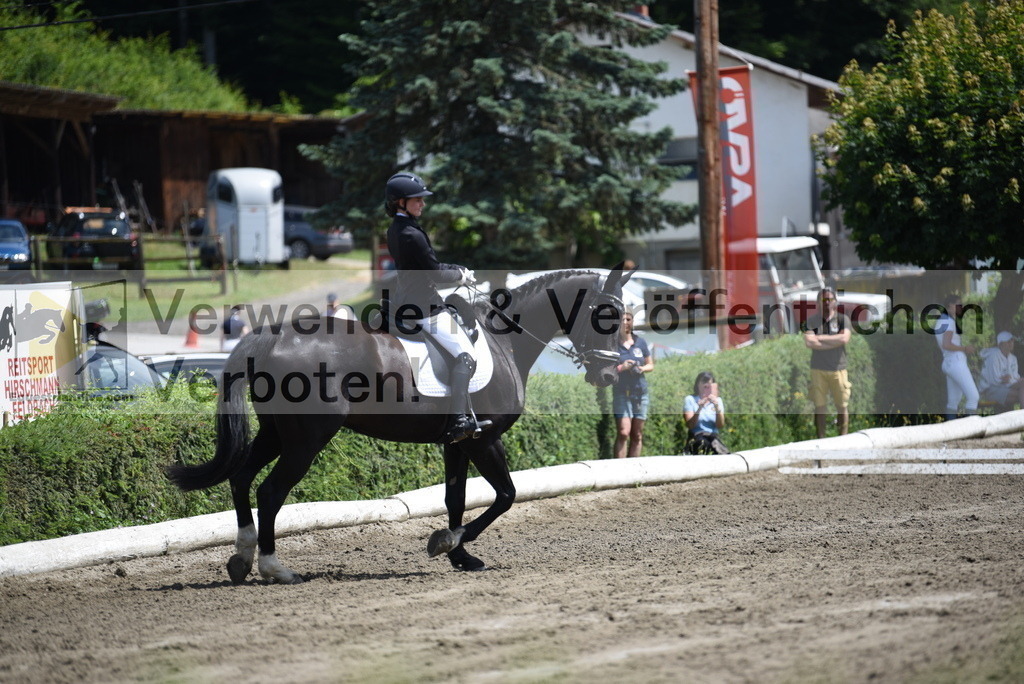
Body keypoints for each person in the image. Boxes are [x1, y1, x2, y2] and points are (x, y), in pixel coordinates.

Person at [385, 172, 491, 444]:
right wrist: (460, 274)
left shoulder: (397, 228)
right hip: (424, 307)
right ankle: (458, 420)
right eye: (416, 199)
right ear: (400, 202)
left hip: (406, 299)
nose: (422, 203)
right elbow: (433, 272)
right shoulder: (411, 234)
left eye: (422, 199)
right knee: (465, 353)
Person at [803, 287, 852, 438]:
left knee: (842, 406)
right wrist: (833, 340)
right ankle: (821, 438)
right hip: (818, 369)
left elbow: (844, 339)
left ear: (835, 302)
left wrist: (821, 338)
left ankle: (842, 437)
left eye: (830, 299)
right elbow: (809, 342)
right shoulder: (811, 321)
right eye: (823, 300)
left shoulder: (843, 319)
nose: (826, 303)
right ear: (818, 302)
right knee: (820, 407)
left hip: (838, 368)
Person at [612, 311, 654, 458]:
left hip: (640, 393)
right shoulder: (613, 344)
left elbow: (650, 365)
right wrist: (622, 368)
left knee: (637, 434)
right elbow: (607, 370)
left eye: (628, 319)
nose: (625, 322)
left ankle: (634, 472)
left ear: (632, 321)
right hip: (622, 392)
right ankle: (619, 472)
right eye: (622, 319)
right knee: (623, 432)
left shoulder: (640, 342)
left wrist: (641, 368)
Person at [934, 293, 978, 420]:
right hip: (956, 361)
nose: (961, 307)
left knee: (953, 402)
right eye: (958, 304)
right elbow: (947, 344)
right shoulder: (948, 321)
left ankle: (950, 430)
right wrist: (965, 348)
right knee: (973, 396)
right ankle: (972, 428)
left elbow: (943, 345)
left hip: (948, 362)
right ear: (950, 306)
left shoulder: (941, 320)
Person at [683, 371, 728, 455]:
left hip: (713, 437)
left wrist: (716, 407)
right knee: (703, 444)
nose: (706, 387)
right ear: (698, 385)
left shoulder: (718, 401)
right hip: (697, 437)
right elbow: (690, 425)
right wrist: (699, 408)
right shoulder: (690, 399)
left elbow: (720, 425)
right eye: (704, 384)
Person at [979, 331, 1023, 411]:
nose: (1011, 343)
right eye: (1008, 341)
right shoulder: (993, 356)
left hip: (1007, 387)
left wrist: (1017, 379)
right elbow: (994, 380)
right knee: (1021, 394)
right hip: (991, 389)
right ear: (1000, 344)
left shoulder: (1013, 358)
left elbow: (1014, 377)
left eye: (1012, 341)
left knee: (1022, 391)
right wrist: (1005, 380)